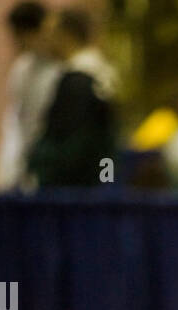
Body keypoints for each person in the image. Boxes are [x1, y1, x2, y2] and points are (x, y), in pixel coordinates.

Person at [27, 6, 119, 189]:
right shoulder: (98, 73)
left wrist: (41, 167)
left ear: (66, 35)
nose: (45, 40)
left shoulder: (78, 82)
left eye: (50, 32)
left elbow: (72, 147)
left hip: (74, 193)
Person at [0, 1, 61, 190]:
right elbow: (16, 121)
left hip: (53, 170)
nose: (16, 43)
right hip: (26, 169)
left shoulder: (64, 70)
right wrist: (8, 172)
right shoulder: (21, 70)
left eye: (19, 36)